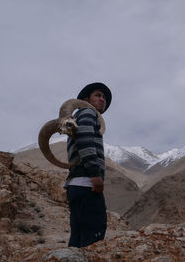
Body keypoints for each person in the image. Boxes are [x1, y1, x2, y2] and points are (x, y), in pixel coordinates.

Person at [64, 82, 112, 248]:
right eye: (98, 95)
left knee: (78, 240)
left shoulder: (77, 118)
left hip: (76, 186)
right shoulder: (88, 112)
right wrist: (95, 175)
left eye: (104, 97)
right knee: (93, 240)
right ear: (86, 99)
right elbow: (85, 141)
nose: (102, 99)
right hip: (87, 185)